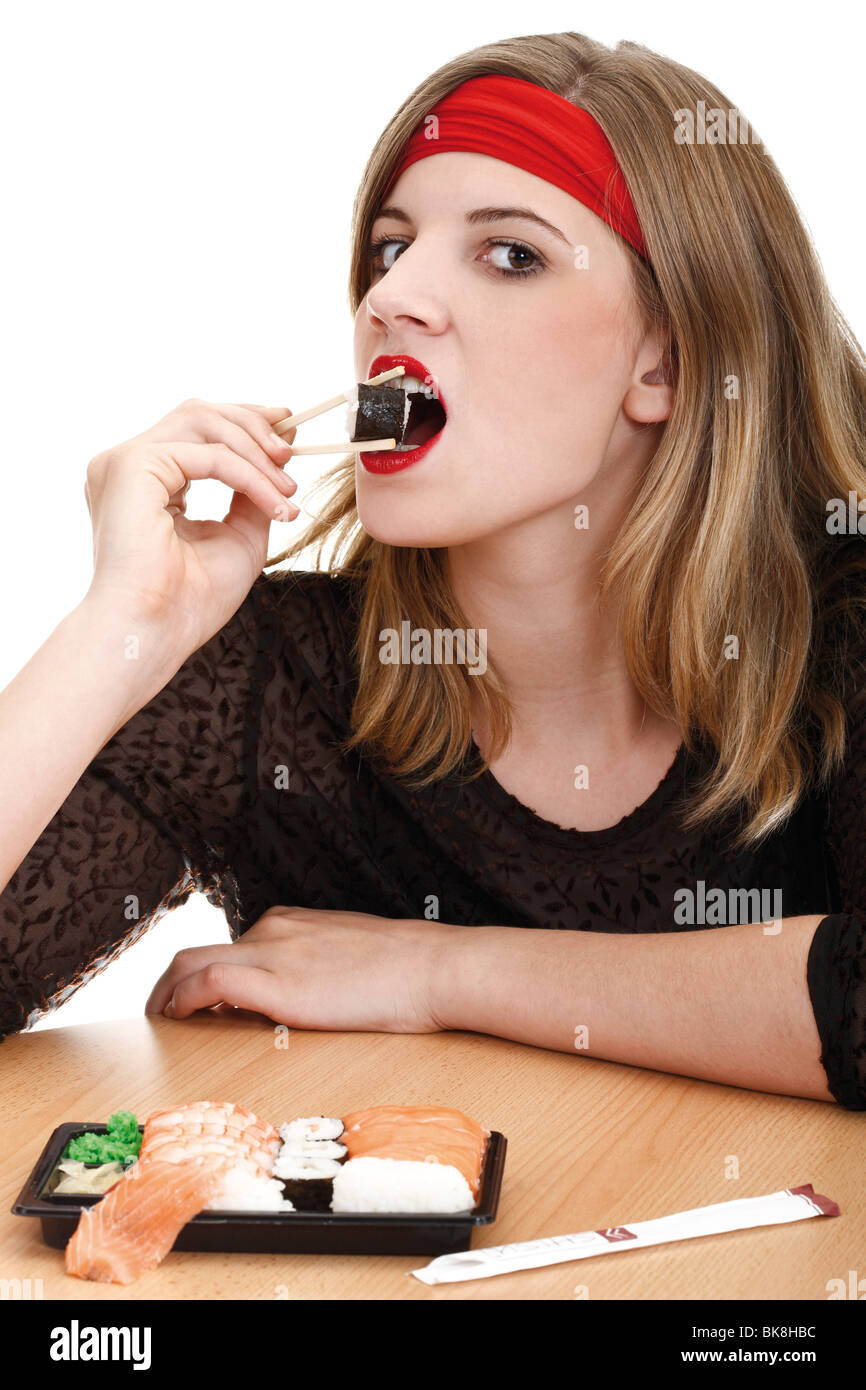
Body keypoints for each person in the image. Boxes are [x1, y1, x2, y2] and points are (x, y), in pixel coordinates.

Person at [2, 30, 865, 1110]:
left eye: (510, 254)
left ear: (667, 360)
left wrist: (435, 968)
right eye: (388, 248)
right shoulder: (270, 680)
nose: (391, 299)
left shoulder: (840, 624)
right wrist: (119, 626)